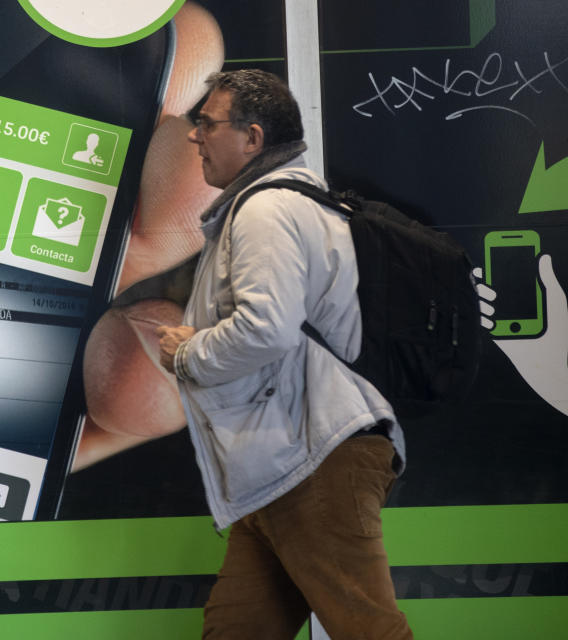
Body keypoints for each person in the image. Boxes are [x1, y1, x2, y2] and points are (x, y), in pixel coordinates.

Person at [155, 69, 413, 639]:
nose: (195, 136)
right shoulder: (277, 204)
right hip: (278, 465)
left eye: (206, 124)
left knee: (367, 629)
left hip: (314, 457)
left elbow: (266, 329)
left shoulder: (265, 210)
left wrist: (188, 353)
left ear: (252, 138)